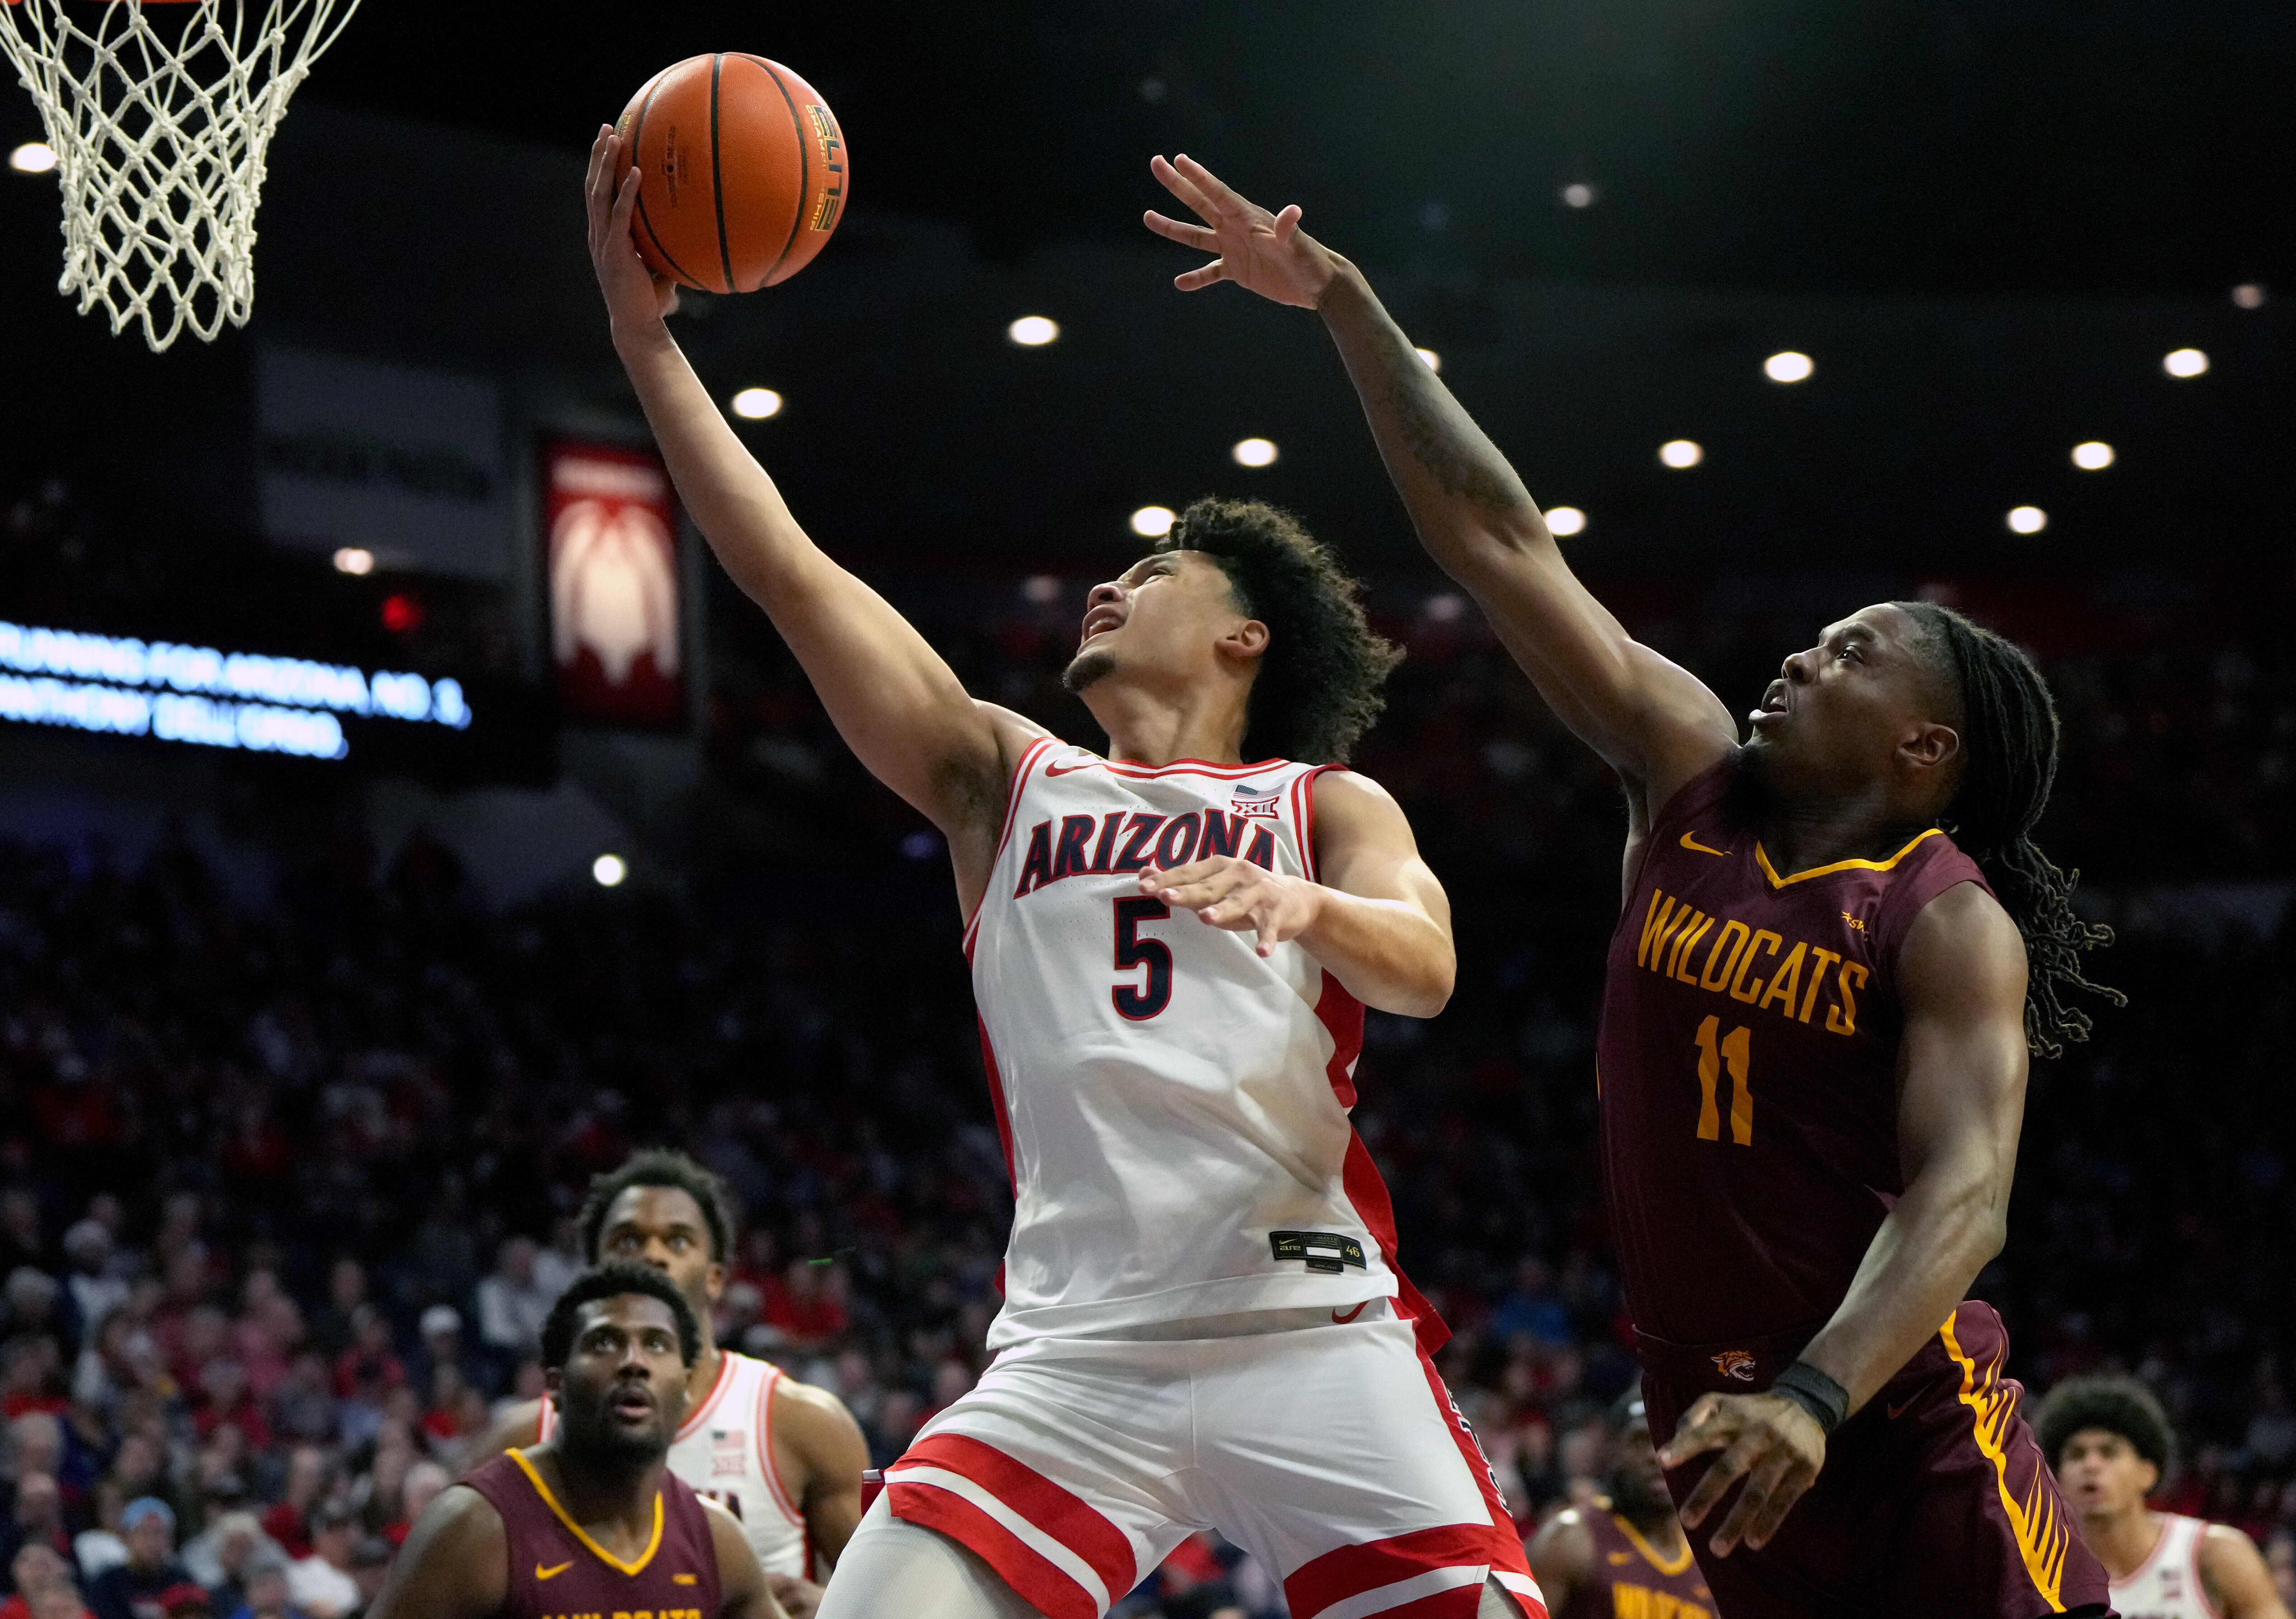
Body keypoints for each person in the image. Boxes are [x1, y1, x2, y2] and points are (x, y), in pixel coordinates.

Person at [1143, 152, 2125, 1618]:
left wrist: (1815, 1394)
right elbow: (1498, 538)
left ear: (1929, 746)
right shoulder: (1691, 776)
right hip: (1707, 1409)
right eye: (1818, 637)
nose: (1801, 656)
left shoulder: (1945, 920)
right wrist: (1347, 305)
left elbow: (1966, 1199)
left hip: (1897, 1410)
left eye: (1854, 654)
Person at [582, 128, 1536, 1619]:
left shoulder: (1322, 802)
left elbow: (1425, 968)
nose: (1114, 579)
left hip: (1313, 1325)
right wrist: (646, 345)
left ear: (1246, 640)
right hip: (1078, 1356)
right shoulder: (1004, 777)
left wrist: (1308, 907)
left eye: (1158, 573)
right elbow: (784, 565)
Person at [466, 1153, 870, 1616]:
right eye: (628, 1240)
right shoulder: (519, 1440)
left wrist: (832, 1608)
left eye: (677, 1241)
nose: (653, 1255)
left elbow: (888, 1597)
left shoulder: (801, 1422)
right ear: (595, 1273)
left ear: (717, 1277)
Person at [366, 1264, 779, 1619]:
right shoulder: (473, 1527)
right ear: (555, 1383)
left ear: (686, 1386)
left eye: (656, 1344)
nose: (635, 1363)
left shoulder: (716, 1539)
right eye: (604, 1343)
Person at [2037, 1377, 2287, 1618]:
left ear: (2148, 1474)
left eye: (2109, 1452)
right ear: (2058, 1479)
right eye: (2076, 1455)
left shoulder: (2215, 1555)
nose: (2091, 1465)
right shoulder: (2032, 1575)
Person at [1527, 1385, 1716, 1619]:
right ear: (1612, 1450)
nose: (1655, 1455)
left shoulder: (1714, 1558)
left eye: (1669, 1440)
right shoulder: (1568, 1540)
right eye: (1641, 1441)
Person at [86, 1501, 192, 1619]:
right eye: (144, 1533)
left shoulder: (183, 1582)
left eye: (160, 1533)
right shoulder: (108, 1584)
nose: (152, 1542)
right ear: (126, 1537)